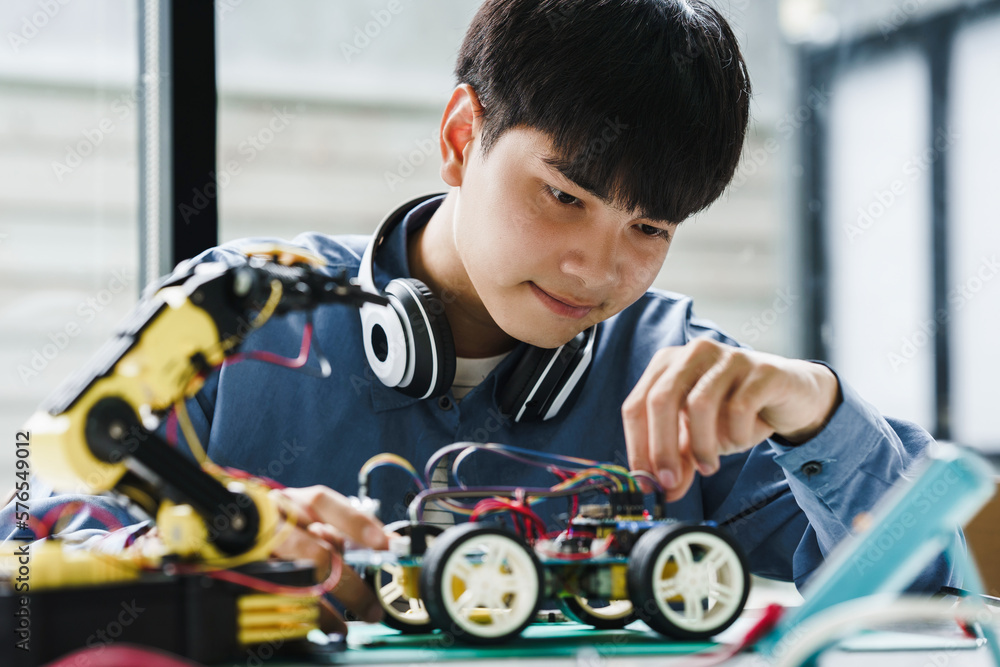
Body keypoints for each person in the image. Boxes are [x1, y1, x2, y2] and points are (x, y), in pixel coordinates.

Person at [3, 0, 961, 637]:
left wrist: (816, 408)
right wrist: (204, 561)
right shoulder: (241, 314)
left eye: (651, 226)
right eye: (562, 196)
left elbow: (933, 604)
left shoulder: (679, 376)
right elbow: (18, 548)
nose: (599, 267)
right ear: (464, 137)